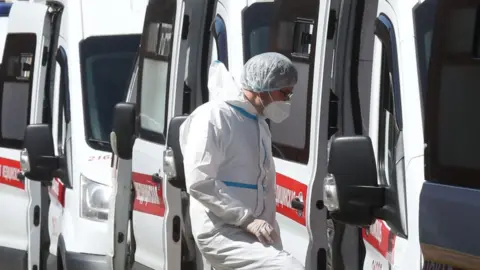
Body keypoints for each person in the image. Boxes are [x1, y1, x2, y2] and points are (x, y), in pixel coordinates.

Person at [179, 52, 304, 269]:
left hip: (252, 230)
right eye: (285, 93)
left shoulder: (258, 123)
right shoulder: (214, 116)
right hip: (221, 230)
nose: (287, 101)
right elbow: (200, 181)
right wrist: (246, 219)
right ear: (263, 86)